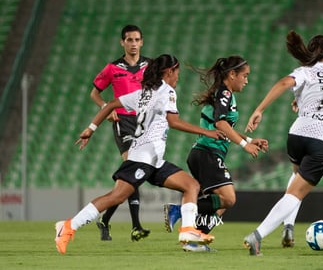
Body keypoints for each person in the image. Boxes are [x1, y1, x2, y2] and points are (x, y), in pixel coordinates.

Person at [54, 54, 224, 255]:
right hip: (142, 159)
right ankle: (67, 226)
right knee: (116, 196)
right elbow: (174, 122)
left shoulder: (142, 93)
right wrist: (207, 131)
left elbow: (109, 105)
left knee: (191, 186)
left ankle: (188, 234)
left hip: (153, 160)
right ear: (169, 71)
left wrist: (90, 129)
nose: (178, 77)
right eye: (177, 72)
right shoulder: (167, 91)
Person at [243, 30, 323, 256]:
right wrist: (300, 100)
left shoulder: (306, 71)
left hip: (298, 135)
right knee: (295, 194)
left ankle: (289, 227)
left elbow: (285, 83)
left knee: (296, 176)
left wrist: (259, 110)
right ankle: (257, 236)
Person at [164, 56, 268, 252]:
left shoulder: (227, 95)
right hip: (207, 153)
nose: (247, 80)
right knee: (229, 198)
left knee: (220, 205)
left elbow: (224, 127)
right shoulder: (224, 93)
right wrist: (244, 146)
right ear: (232, 74)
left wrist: (249, 140)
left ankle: (195, 241)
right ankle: (179, 209)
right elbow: (220, 123)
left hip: (207, 154)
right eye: (244, 76)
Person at [90, 25, 150, 242]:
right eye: (129, 40)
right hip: (122, 120)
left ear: (142, 42)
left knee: (133, 175)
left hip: (144, 122)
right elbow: (94, 93)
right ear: (122, 42)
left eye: (136, 39)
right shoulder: (112, 68)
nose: (133, 43)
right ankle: (136, 226)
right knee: (133, 166)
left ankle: (105, 220)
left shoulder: (150, 66)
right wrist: (107, 108)